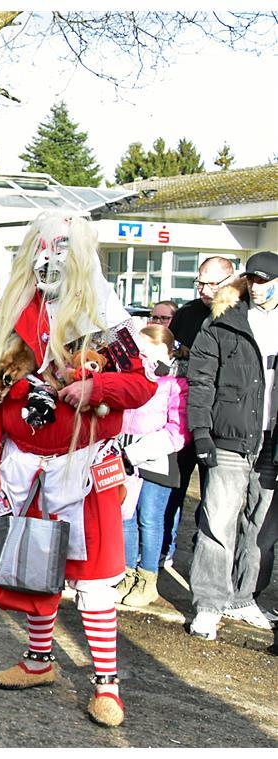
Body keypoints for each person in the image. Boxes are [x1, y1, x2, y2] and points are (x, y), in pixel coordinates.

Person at [0, 213, 157, 729]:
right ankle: (38, 661)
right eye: (42, 248)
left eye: (61, 249)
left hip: (86, 467)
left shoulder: (105, 318)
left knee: (94, 581)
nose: (49, 259)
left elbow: (142, 385)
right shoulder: (14, 317)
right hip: (27, 468)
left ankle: (107, 685)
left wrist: (96, 389)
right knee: (37, 568)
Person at [184, 250, 278, 639]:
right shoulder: (222, 322)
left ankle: (243, 597)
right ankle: (208, 604)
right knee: (217, 523)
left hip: (272, 442)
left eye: (264, 281)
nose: (256, 288)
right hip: (229, 437)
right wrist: (201, 433)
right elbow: (201, 382)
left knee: (261, 528)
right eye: (252, 280)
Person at [162, 256, 236, 564]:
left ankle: (205, 557)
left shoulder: (237, 316)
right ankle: (162, 551)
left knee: (214, 498)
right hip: (181, 417)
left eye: (210, 283)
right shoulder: (188, 313)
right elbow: (170, 356)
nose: (203, 289)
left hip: (219, 423)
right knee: (172, 491)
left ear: (230, 281)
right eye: (199, 282)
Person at [116, 324, 189, 606]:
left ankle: (147, 578)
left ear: (169, 352)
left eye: (152, 350)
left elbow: (178, 429)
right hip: (124, 457)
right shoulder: (131, 377)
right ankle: (126, 573)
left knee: (150, 518)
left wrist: (141, 450)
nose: (145, 356)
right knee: (126, 516)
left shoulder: (176, 383)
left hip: (156, 458)